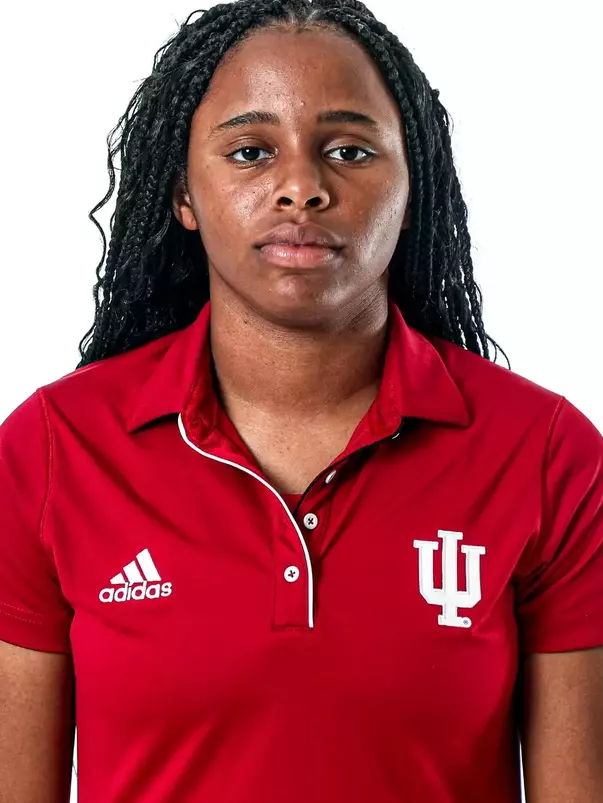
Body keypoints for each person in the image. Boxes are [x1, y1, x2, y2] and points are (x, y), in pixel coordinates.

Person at [0, 0, 601, 801]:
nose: (301, 188)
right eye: (250, 151)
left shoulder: (544, 450)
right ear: (183, 194)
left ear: (413, 183)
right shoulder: (51, 447)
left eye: (348, 150)